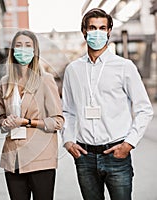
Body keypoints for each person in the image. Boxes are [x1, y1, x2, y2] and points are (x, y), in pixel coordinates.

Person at [62, 8, 154, 200]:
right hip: (84, 155)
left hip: (116, 154)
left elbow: (144, 109)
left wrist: (129, 144)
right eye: (92, 28)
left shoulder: (125, 67)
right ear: (84, 31)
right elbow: (68, 110)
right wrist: (68, 140)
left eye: (102, 28)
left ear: (109, 31)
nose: (97, 32)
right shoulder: (73, 70)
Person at [0, 30, 64, 200]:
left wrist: (27, 122)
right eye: (18, 45)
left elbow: (58, 121)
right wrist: (5, 122)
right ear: (12, 50)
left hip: (40, 158)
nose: (23, 49)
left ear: (35, 51)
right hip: (13, 158)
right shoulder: (5, 82)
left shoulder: (45, 79)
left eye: (28, 46)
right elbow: (0, 117)